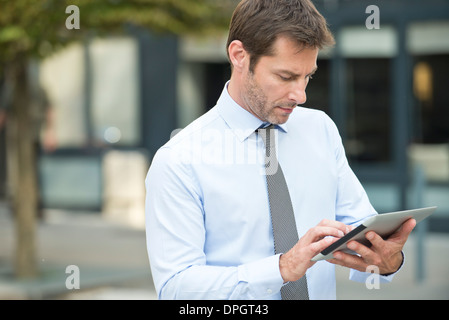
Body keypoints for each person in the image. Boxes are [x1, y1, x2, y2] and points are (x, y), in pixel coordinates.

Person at [145, 0, 416, 300]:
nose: (300, 95)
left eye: (307, 77)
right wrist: (282, 269)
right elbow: (176, 289)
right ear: (239, 56)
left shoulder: (321, 130)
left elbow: (359, 226)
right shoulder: (180, 160)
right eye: (286, 77)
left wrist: (389, 260)